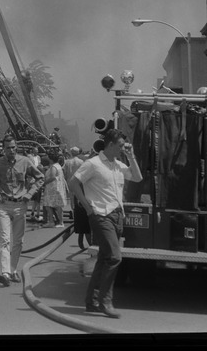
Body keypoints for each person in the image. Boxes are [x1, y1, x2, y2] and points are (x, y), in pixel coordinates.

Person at [68, 128, 143, 319]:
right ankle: (105, 302)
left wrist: (131, 156)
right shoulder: (92, 164)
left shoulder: (118, 165)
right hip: (101, 215)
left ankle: (91, 301)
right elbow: (73, 183)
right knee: (114, 257)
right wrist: (87, 206)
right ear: (110, 145)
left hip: (117, 216)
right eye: (120, 146)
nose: (122, 149)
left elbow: (137, 177)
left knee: (104, 259)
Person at [0, 137, 43, 286]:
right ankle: (5, 273)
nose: (11, 150)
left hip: (20, 205)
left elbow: (40, 177)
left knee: (18, 241)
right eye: (8, 148)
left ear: (17, 148)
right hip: (4, 205)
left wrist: (29, 194)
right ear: (3, 149)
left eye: (13, 147)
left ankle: (13, 270)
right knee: (5, 240)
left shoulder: (25, 162)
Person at [63, 147, 89, 249]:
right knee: (80, 203)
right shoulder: (81, 162)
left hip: (71, 183)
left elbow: (65, 174)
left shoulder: (67, 162)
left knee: (74, 204)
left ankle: (76, 219)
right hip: (80, 185)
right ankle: (78, 221)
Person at [42, 150, 68, 228]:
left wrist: (44, 182)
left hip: (53, 188)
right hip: (56, 188)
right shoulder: (58, 165)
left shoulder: (54, 167)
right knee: (54, 205)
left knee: (50, 205)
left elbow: (53, 177)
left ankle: (54, 221)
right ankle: (57, 221)